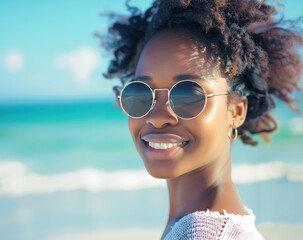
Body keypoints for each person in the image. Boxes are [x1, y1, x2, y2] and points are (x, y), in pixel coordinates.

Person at [98, 0, 303, 239]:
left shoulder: (203, 234)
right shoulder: (211, 226)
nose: (156, 117)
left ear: (236, 111)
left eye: (188, 94)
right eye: (141, 93)